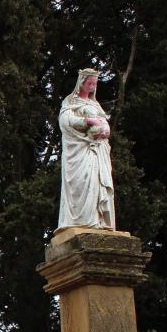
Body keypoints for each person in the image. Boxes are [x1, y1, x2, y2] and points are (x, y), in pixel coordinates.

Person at [57, 68, 115, 231]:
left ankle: (99, 221)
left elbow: (105, 123)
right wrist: (87, 121)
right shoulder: (70, 101)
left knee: (97, 182)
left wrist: (104, 130)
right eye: (89, 83)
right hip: (79, 150)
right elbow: (65, 121)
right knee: (82, 181)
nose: (92, 87)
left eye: (95, 84)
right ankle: (81, 222)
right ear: (81, 83)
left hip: (98, 150)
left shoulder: (95, 104)